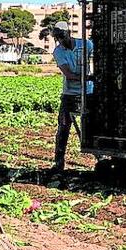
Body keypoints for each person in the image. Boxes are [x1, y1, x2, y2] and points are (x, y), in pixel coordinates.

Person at [48, 20, 93, 176]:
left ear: (68, 33)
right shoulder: (58, 52)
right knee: (63, 127)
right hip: (70, 94)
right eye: (58, 38)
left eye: (62, 36)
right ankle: (59, 163)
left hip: (88, 92)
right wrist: (88, 77)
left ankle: (102, 158)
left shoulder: (85, 45)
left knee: (92, 126)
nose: (61, 41)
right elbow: (68, 74)